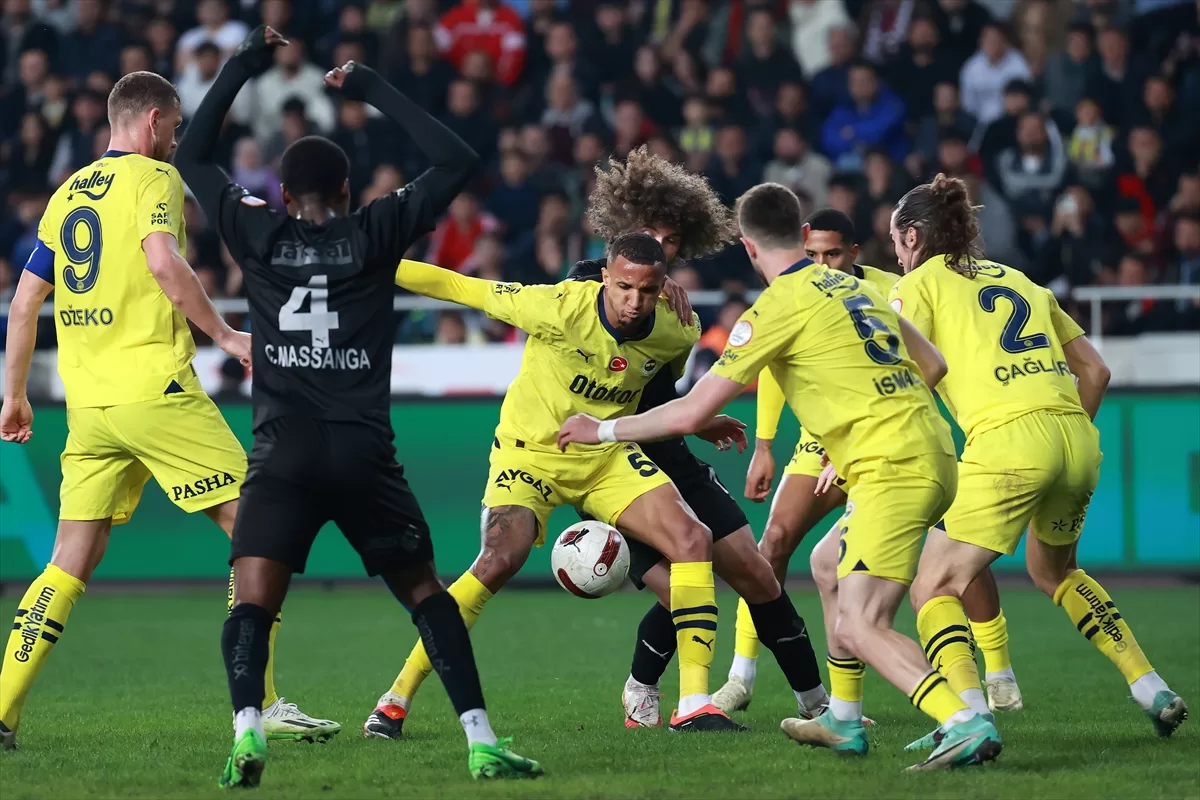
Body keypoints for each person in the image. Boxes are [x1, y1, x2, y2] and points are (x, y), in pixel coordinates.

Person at [173, 28, 540, 785]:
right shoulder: (376, 229)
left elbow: (194, 155)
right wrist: (372, 88)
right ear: (345, 192)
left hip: (283, 453)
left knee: (252, 604)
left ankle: (247, 732)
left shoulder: (255, 231)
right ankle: (479, 740)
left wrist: (242, 66)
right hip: (363, 451)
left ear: (282, 195)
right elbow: (456, 160)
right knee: (427, 596)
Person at [559, 183, 1003, 771]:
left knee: (861, 624)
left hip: (890, 467)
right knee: (828, 568)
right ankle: (842, 719)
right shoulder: (856, 286)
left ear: (748, 247)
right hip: (933, 453)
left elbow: (690, 412)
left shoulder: (772, 310)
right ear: (803, 235)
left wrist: (602, 429)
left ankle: (964, 720)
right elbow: (934, 363)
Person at [0, 67, 334, 752]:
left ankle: (1, 709)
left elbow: (25, 302)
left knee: (68, 559)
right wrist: (228, 336)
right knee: (259, 526)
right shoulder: (154, 178)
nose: (177, 141)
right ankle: (262, 702)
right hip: (156, 390)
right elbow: (162, 261)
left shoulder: (67, 193)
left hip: (89, 406)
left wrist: (13, 393)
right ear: (153, 121)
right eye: (176, 128)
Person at [369, 231, 749, 737]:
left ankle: (695, 705)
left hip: (605, 457)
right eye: (624, 287)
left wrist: (697, 422)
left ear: (664, 287)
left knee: (693, 539)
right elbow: (459, 287)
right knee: (498, 560)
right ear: (605, 278)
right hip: (530, 455)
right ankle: (394, 700)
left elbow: (657, 394)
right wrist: (364, 258)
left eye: (647, 290)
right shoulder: (557, 307)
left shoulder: (678, 331)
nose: (634, 302)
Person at [885, 175, 1188, 751]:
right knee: (1056, 571)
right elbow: (1096, 372)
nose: (896, 255)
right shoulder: (1021, 280)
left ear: (914, 237)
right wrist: (1058, 439)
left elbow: (906, 370)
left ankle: (968, 719)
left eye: (896, 242)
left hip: (1007, 439)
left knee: (934, 585)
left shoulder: (916, 285)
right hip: (1075, 437)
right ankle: (1150, 687)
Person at [720, 208, 1025, 715]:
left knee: (954, 553)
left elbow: (929, 360)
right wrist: (766, 445)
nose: (822, 263)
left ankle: (996, 673)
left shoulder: (888, 287)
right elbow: (773, 369)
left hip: (884, 436)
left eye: (832, 254)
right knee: (775, 542)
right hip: (825, 438)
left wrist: (883, 416)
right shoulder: (788, 297)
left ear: (854, 252)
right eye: (813, 254)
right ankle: (742, 675)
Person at [563, 148, 828, 730]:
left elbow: (658, 393)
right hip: (611, 463)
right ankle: (648, 689)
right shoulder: (584, 286)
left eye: (672, 241)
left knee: (756, 573)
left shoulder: (677, 313)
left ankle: (818, 705)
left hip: (667, 451)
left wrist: (700, 420)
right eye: (650, 235)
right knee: (684, 585)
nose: (660, 248)